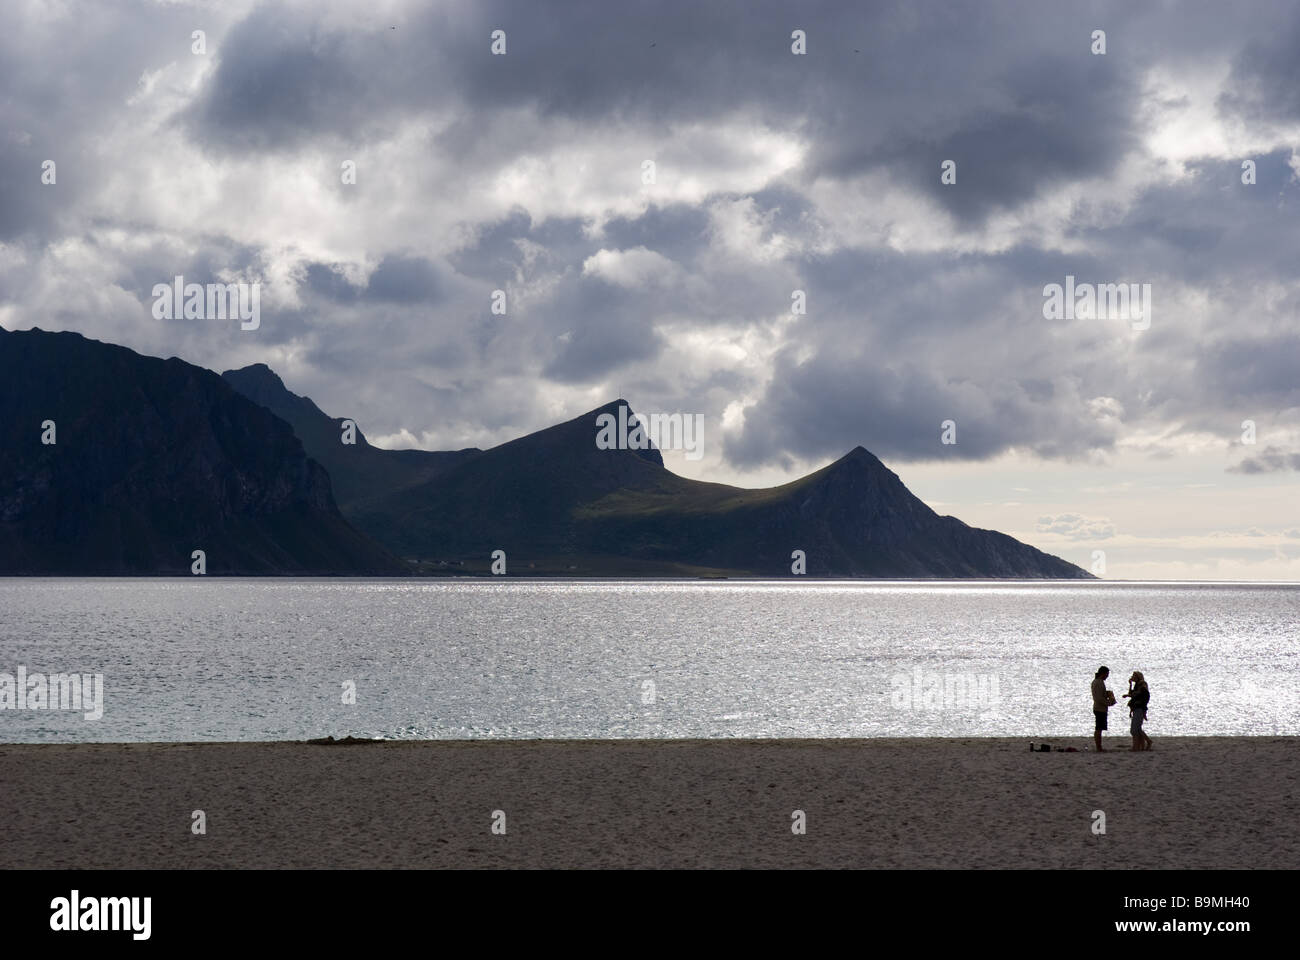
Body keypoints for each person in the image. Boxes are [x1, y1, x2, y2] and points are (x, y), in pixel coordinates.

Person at [1123, 671, 1152, 751]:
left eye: (1134, 676)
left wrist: (1142, 705)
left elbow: (1144, 695)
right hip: (1136, 708)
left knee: (1135, 729)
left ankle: (1139, 745)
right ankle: (1141, 745)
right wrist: (1130, 685)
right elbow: (1132, 693)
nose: (1132, 677)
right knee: (1137, 729)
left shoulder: (1142, 684)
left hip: (1139, 708)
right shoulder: (1137, 685)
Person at [1091, 666, 1115, 752]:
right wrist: (1109, 703)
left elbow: (1101, 695)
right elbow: (1098, 698)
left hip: (1100, 708)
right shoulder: (1098, 682)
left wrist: (1108, 694)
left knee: (1099, 728)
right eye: (1107, 674)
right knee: (1099, 728)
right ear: (1103, 673)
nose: (1107, 676)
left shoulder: (1099, 682)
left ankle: (1099, 747)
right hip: (1099, 708)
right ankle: (1099, 747)